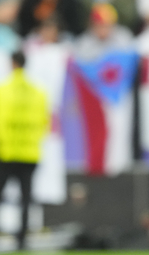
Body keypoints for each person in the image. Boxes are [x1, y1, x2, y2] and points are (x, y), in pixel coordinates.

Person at [0, 51, 49, 250]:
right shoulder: (38, 92)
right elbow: (44, 122)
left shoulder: (4, 90)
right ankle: (22, 240)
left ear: (12, 64)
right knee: (26, 198)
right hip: (29, 153)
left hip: (7, 152)